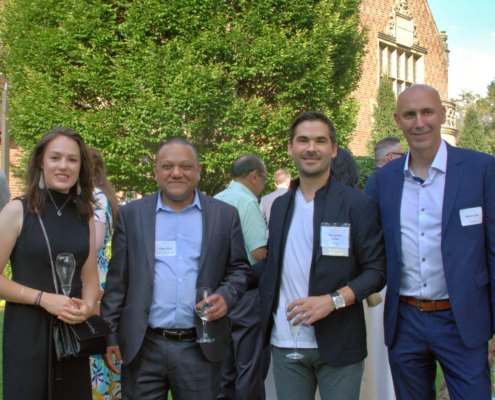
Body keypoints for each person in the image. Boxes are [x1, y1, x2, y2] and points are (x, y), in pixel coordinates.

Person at [100, 138, 251, 400]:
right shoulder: (131, 215)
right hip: (143, 347)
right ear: (155, 171)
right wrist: (110, 334)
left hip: (200, 348)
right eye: (167, 166)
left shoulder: (224, 215)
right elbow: (117, 282)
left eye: (186, 166)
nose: (177, 173)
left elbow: (239, 269)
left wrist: (226, 296)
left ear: (198, 170)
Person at [251, 111, 387, 400]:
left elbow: (376, 272)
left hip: (339, 342)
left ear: (333, 149)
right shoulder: (280, 206)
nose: (311, 148)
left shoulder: (357, 205)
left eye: (320, 141)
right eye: (303, 140)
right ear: (290, 148)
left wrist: (332, 301)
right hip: (286, 341)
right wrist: (228, 279)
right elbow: (273, 264)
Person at [370, 84, 495, 399]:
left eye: (427, 112)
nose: (419, 122)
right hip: (405, 321)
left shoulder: (481, 169)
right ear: (398, 120)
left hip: (463, 319)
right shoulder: (384, 180)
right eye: (409, 115)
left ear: (441, 115)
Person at [0, 126, 100, 399]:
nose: (63, 166)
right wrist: (43, 299)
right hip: (27, 330)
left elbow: (90, 277)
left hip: (71, 332)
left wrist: (87, 307)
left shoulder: (84, 215)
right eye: (55, 157)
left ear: (81, 166)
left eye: (72, 159)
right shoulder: (17, 210)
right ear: (41, 162)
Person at [214, 155, 269, 400]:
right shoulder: (247, 201)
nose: (262, 187)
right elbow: (258, 253)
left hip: (219, 291)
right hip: (245, 292)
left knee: (225, 367)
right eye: (264, 181)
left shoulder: (216, 198)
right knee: (249, 367)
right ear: (254, 176)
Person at [363, 138, 401, 400]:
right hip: (383, 279)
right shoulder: (379, 184)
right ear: (390, 157)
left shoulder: (375, 184)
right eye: (401, 153)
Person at [88, 148, 121, 400]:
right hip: (96, 273)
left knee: (95, 351)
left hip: (93, 275)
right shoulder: (101, 193)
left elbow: (96, 242)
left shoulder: (95, 195)